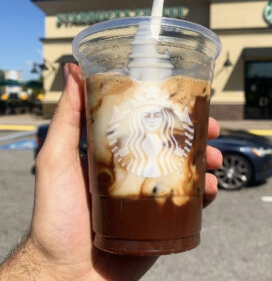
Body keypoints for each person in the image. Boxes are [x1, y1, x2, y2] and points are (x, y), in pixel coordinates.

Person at [0, 63, 222, 281]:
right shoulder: (129, 142)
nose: (152, 120)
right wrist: (50, 265)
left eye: (158, 115)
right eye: (147, 115)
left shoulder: (174, 142)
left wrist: (51, 270)